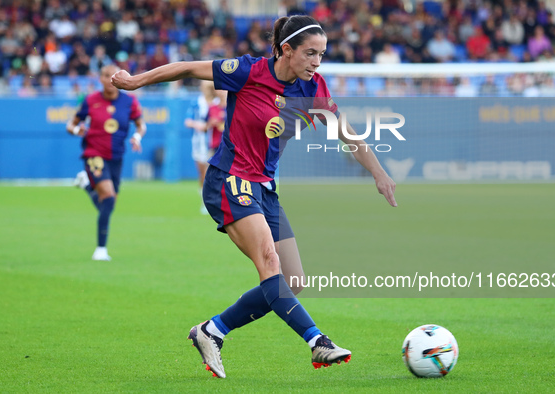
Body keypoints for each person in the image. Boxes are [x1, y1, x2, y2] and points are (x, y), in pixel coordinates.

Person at [111, 15, 397, 378]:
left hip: (264, 187)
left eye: (321, 54)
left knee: (293, 282)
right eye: (310, 53)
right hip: (230, 179)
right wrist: (136, 81)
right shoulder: (247, 71)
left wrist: (378, 172)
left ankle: (212, 331)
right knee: (269, 263)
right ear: (286, 50)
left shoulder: (314, 89)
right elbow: (185, 67)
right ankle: (317, 341)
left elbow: (347, 133)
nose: (317, 62)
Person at [67, 64, 146, 261]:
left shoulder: (129, 101)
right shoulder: (90, 100)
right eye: (106, 76)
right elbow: (71, 124)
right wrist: (78, 131)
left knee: (108, 203)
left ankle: (86, 184)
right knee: (108, 198)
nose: (110, 79)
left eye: (114, 75)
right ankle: (100, 249)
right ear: (100, 79)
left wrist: (137, 137)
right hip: (94, 154)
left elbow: (140, 124)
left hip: (116, 157)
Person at [184, 80, 215, 214]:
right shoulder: (197, 102)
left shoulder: (218, 103)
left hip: (215, 142)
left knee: (213, 173)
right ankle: (205, 201)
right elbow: (188, 121)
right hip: (200, 142)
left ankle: (215, 201)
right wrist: (200, 125)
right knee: (202, 173)